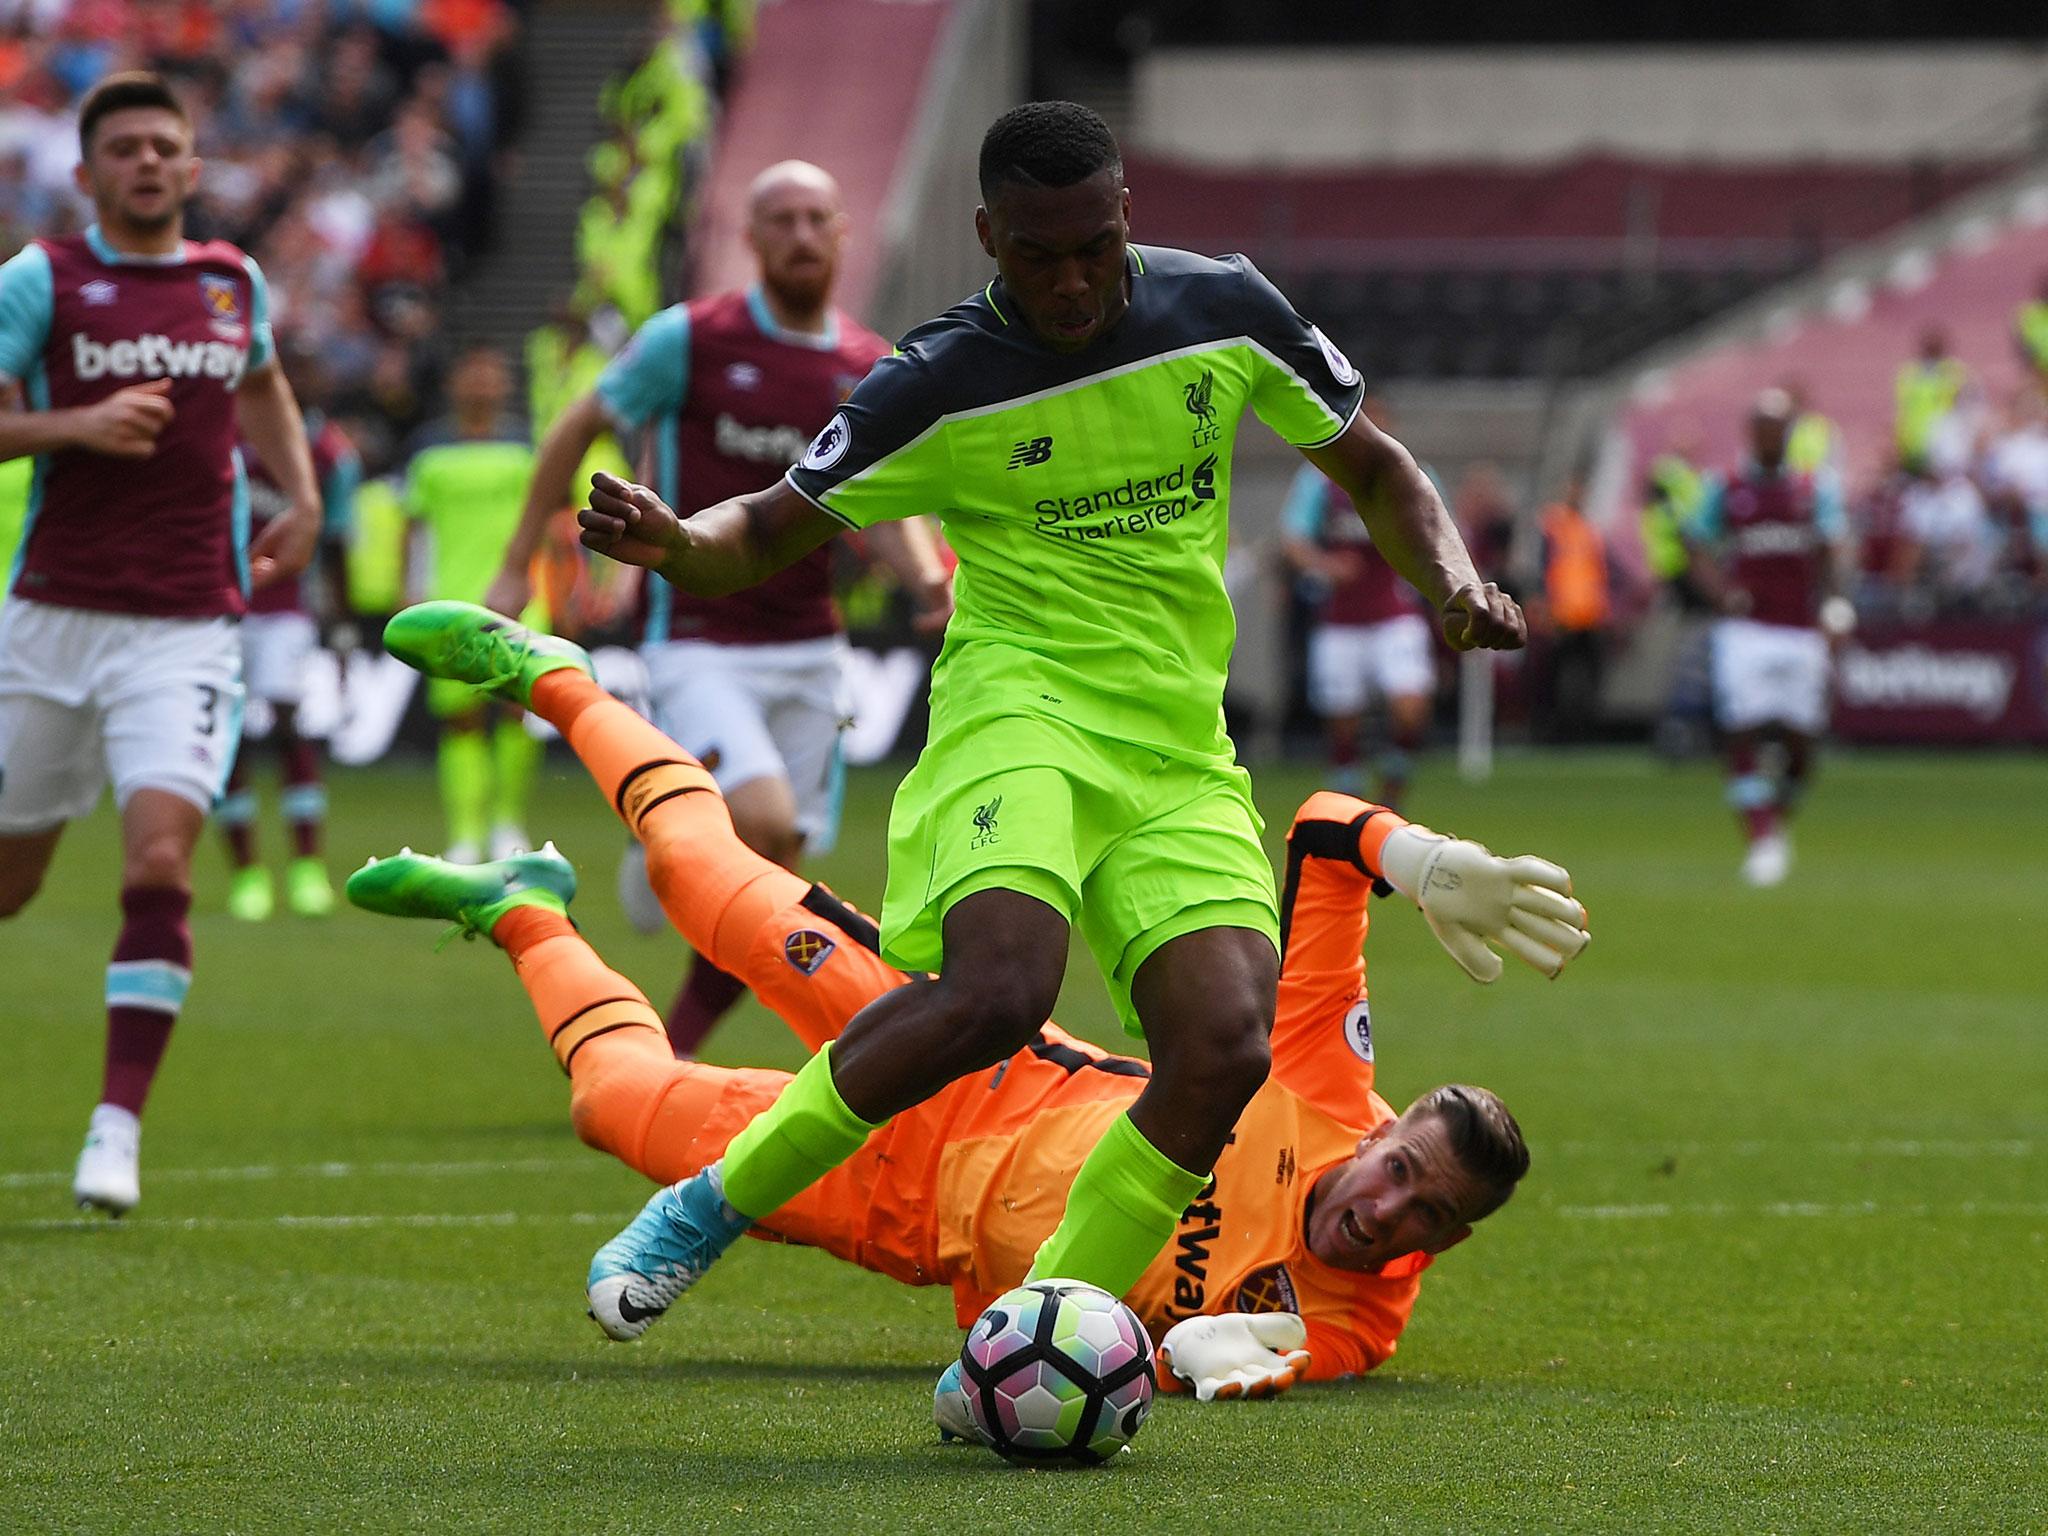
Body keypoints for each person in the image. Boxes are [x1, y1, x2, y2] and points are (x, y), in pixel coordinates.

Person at [563, 102, 1525, 1369]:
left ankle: (1021, 1348)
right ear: (986, 238)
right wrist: (678, 542)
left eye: (1095, 246)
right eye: (1037, 255)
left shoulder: (1221, 311)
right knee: (1000, 990)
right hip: (1018, 708)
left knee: (1223, 1048)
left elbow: (1376, 468)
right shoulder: (940, 378)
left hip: (1177, 743)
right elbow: (777, 522)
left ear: (1126, 214)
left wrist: (1450, 580)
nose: (1072, 282)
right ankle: (709, 1204)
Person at [349, 601, 1589, 1405]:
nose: (1384, 1210)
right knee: (701, 879)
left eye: (1422, 1213)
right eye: (1401, 1168)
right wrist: (1419, 859)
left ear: (1446, 1245)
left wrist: (1196, 1362)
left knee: (613, 1103)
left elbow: (1197, 1364)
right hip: (976, 1054)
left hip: (910, 1214)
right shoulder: (1321, 1081)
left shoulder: (1358, 1324)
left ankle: (517, 910)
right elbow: (1319, 834)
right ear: (1382, 1130)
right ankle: (558, 678)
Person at [483, 160, 951, 1058]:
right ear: (752, 236)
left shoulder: (866, 363)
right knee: (765, 825)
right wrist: (516, 564)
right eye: (783, 220)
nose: (803, 236)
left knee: (773, 875)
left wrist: (930, 580)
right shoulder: (689, 340)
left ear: (844, 233)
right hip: (698, 633)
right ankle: (674, 842)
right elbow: (578, 424)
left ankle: (670, 1045)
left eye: (819, 218)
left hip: (814, 645)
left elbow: (885, 501)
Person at [0, 72, 320, 1213]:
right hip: (49, 623)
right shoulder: (43, 281)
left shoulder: (230, 282)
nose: (145, 161)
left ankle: (114, 1128)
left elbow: (267, 383)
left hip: (186, 625)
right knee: (12, 884)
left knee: (159, 864)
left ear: (191, 168)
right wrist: (72, 424)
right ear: (87, 175)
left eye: (163, 146)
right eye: (123, 147)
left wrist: (304, 493)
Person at [217, 349, 361, 920]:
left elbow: (338, 543)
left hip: (285, 610)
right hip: (223, 606)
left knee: (285, 723)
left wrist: (344, 626)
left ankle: (306, 867)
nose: (301, 384)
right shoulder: (228, 434)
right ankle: (247, 874)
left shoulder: (331, 454)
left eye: (308, 374)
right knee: (227, 734)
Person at [1685, 389, 1850, 888]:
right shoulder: (1726, 487)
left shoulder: (1811, 488)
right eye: (1763, 427)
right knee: (1743, 731)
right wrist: (1720, 593)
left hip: (1800, 629)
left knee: (1803, 744)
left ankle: (1773, 820)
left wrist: (1836, 607)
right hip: (1746, 631)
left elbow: (1831, 547)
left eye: (1779, 427)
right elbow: (1695, 542)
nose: (1771, 436)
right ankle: (1762, 840)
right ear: (1750, 433)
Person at [401, 343, 539, 863]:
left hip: (518, 598)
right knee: (460, 720)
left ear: (505, 386)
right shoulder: (428, 449)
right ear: (452, 385)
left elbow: (548, 527)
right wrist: (407, 590)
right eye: (471, 375)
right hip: (449, 599)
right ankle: (464, 834)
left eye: (491, 375)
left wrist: (562, 588)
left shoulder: (527, 446)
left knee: (512, 712)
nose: (481, 384)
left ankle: (507, 823)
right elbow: (413, 527)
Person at [1279, 396, 1437, 808]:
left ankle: (1392, 789)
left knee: (1410, 705)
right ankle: (1353, 805)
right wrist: (1326, 565)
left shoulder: (1413, 476)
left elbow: (1440, 535)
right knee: (1343, 720)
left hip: (1394, 613)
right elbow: (1293, 542)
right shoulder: (1318, 481)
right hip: (1341, 618)